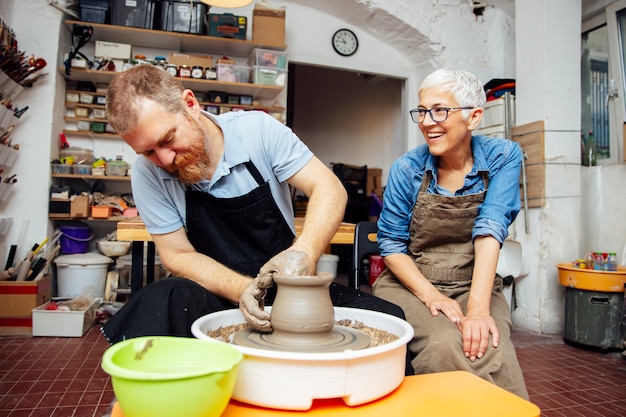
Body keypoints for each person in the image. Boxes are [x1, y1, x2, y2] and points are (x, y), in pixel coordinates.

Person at [100, 65, 409, 372]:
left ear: (190, 105)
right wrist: (243, 290)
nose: (164, 159)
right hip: (216, 293)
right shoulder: (147, 174)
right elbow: (177, 254)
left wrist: (304, 252)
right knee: (160, 299)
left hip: (286, 287)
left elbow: (328, 187)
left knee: (390, 317)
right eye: (149, 152)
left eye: (167, 139)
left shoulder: (256, 132)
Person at [373, 68, 528, 398]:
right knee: (445, 344)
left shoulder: (503, 157)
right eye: (422, 111)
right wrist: (433, 296)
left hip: (474, 281)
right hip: (412, 284)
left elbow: (490, 228)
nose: (428, 122)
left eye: (440, 110)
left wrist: (478, 310)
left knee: (491, 348)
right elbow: (391, 245)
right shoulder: (407, 168)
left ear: (473, 118)